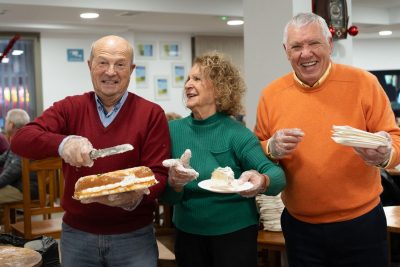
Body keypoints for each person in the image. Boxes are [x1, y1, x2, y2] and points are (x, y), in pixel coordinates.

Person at [254, 12, 400, 266]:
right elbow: (255, 150)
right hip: (300, 227)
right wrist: (271, 147)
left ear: (330, 44)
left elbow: (395, 138)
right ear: (286, 51)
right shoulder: (271, 95)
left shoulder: (364, 83)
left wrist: (385, 154)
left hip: (361, 222)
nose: (306, 53)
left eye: (314, 43)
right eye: (297, 46)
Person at [11, 35, 170, 267]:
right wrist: (64, 143)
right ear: (90, 66)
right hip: (78, 235)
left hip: (134, 236)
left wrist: (134, 196)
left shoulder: (151, 113)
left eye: (120, 64)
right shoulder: (70, 108)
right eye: (103, 62)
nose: (110, 72)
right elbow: (21, 140)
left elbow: (159, 173)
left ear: (132, 69)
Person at [161, 51, 286, 267]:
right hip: (187, 233)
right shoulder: (171, 131)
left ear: (219, 89)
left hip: (234, 234)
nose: (188, 84)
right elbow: (168, 198)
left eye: (197, 79)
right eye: (188, 78)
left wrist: (261, 181)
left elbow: (277, 177)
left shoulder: (236, 134)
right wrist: (174, 184)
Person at [0, 108, 37, 204]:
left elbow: (11, 173)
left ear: (11, 124)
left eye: (6, 121)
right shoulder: (20, 140)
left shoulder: (23, 143)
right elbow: (2, 159)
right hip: (17, 186)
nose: (4, 124)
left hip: (24, 189)